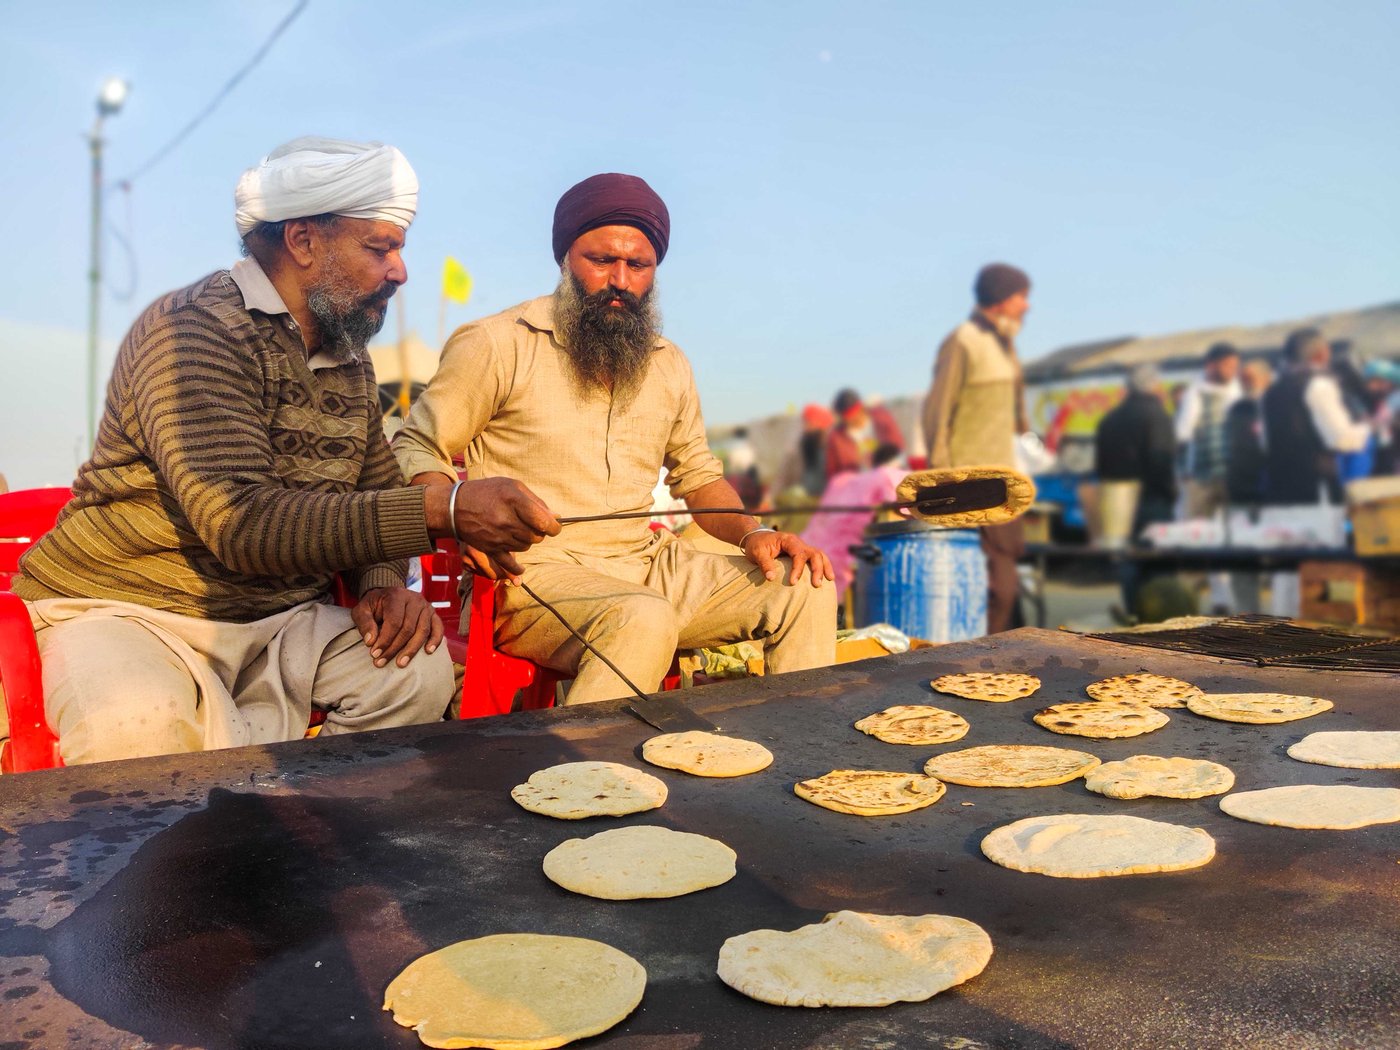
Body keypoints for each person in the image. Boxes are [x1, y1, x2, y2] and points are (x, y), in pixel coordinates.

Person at [11, 137, 558, 766]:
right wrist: (449, 510)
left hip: (279, 619)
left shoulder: (347, 357)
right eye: (380, 248)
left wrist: (381, 585)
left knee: (415, 671)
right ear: (302, 241)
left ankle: (313, 822)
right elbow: (243, 524)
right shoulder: (193, 331)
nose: (400, 271)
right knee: (135, 726)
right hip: (132, 611)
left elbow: (377, 490)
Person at [392, 173, 836, 705]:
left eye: (637, 265)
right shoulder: (497, 343)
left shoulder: (668, 363)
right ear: (566, 259)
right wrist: (460, 512)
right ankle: (585, 762)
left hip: (647, 565)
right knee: (641, 617)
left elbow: (699, 477)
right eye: (601, 261)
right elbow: (417, 446)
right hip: (530, 575)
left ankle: (798, 749)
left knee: (805, 583)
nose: (620, 280)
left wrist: (753, 532)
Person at [922, 262, 1032, 633]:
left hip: (1004, 482)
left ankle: (998, 652)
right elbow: (937, 413)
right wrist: (943, 481)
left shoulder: (1005, 344)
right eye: (1021, 297)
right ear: (1001, 299)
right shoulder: (963, 341)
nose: (1027, 305)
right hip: (970, 486)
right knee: (992, 589)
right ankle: (980, 657)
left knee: (1004, 586)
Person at [1262, 328, 1370, 505]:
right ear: (1322, 354)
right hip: (1316, 490)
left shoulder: (1270, 392)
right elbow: (1341, 439)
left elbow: (1264, 444)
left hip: (1278, 490)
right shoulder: (1319, 385)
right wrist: (1368, 429)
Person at [1094, 364, 1177, 542]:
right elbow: (1161, 460)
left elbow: (1100, 465)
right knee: (1153, 553)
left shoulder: (1108, 419)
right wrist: (1170, 493)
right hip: (1151, 499)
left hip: (1115, 501)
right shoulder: (1158, 416)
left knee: (1119, 551)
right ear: (1155, 385)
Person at [1224, 359, 1272, 505]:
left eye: (1249, 378)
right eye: (1242, 380)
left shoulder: (1276, 404)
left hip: (1268, 479)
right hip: (1240, 480)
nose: (1245, 383)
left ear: (1266, 378)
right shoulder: (1236, 408)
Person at [825, 388, 875, 478]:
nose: (851, 419)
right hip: (851, 483)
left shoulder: (877, 427)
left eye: (854, 414)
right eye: (847, 417)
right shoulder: (836, 438)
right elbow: (832, 472)